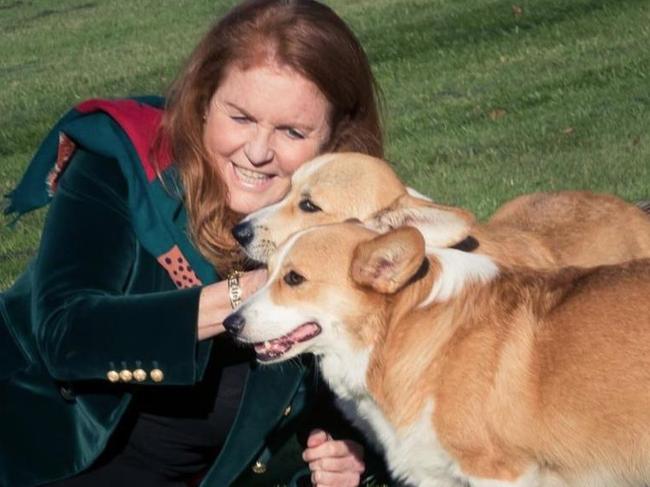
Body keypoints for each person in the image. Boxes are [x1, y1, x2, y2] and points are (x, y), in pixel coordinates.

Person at [0, 1, 387, 486]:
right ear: (204, 103)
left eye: (292, 131)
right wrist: (248, 293)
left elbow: (352, 412)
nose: (259, 151)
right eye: (241, 117)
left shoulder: (344, 238)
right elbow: (65, 334)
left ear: (334, 141)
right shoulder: (123, 166)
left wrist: (352, 460)